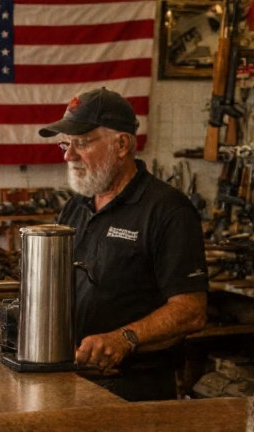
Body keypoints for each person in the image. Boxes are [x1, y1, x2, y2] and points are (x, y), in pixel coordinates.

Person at [38, 87, 208, 401]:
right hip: (71, 378)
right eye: (65, 144)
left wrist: (123, 339)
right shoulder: (74, 208)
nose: (68, 156)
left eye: (82, 143)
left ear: (122, 144)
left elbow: (190, 311)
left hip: (135, 390)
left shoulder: (168, 210)